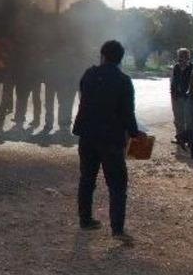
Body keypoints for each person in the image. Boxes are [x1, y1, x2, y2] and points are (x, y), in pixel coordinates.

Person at [73, 40, 146, 243]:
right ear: (120, 59)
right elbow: (127, 113)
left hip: (87, 135)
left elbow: (84, 98)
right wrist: (135, 133)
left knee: (87, 178)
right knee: (117, 185)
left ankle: (85, 220)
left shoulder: (89, 74)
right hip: (111, 139)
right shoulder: (123, 80)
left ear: (102, 55)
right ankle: (117, 229)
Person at [169, 48, 193, 147]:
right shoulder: (176, 67)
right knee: (178, 120)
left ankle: (190, 141)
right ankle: (180, 138)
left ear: (188, 57)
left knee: (189, 120)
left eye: (184, 56)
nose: (181, 59)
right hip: (176, 97)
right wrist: (173, 93)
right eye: (180, 56)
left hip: (188, 98)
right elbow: (173, 81)